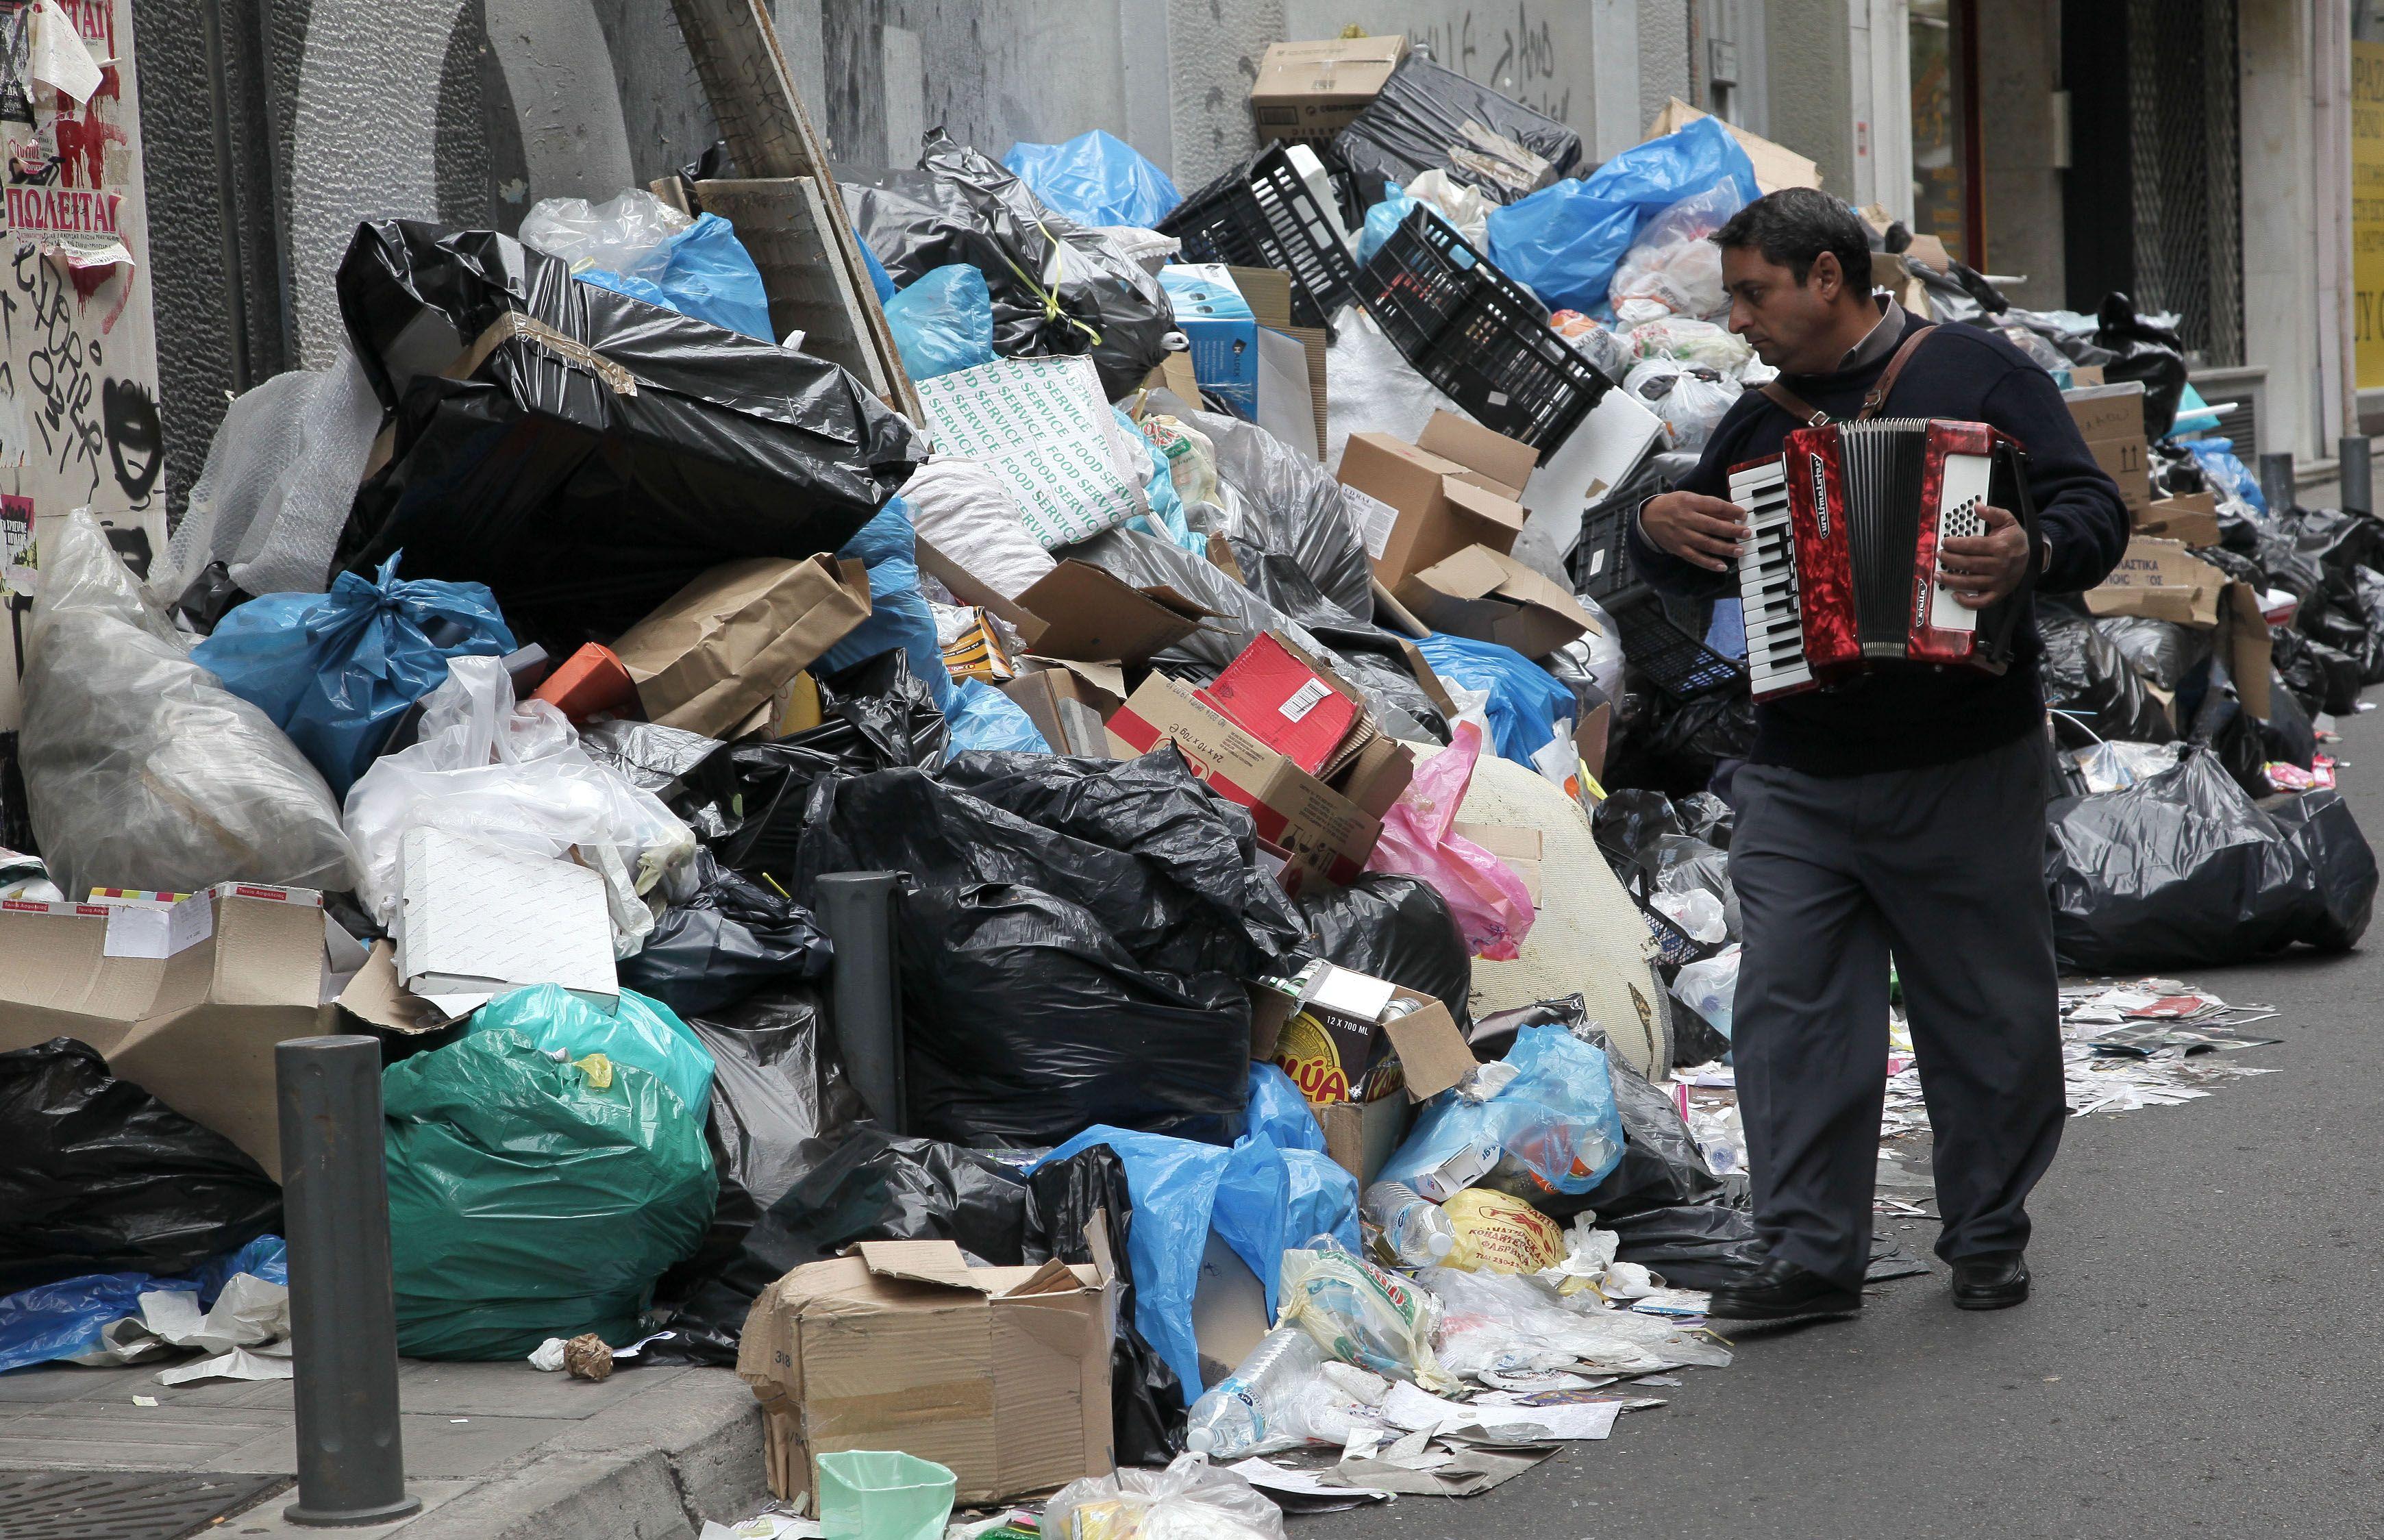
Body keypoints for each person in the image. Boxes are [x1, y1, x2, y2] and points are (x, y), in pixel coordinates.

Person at [1626, 188, 2129, 1319]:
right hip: (1801, 769)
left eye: (1755, 294)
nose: (1741, 320)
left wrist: (2032, 549)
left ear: (1827, 278)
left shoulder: (1980, 377)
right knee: (1792, 1011)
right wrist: (1653, 529)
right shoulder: (1760, 427)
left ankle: (1988, 1230)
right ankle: (1810, 1257)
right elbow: (1693, 555)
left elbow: (2094, 508)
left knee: (1985, 1007)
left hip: (1965, 757)